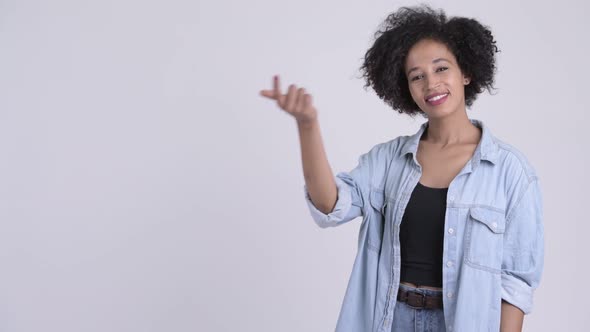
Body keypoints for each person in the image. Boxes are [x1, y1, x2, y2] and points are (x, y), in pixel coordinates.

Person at [259, 5, 543, 332]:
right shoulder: (388, 160)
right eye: (417, 76)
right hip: (390, 319)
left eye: (441, 69)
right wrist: (307, 126)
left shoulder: (510, 171)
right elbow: (330, 206)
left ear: (465, 72)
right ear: (405, 88)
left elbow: (516, 284)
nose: (431, 84)